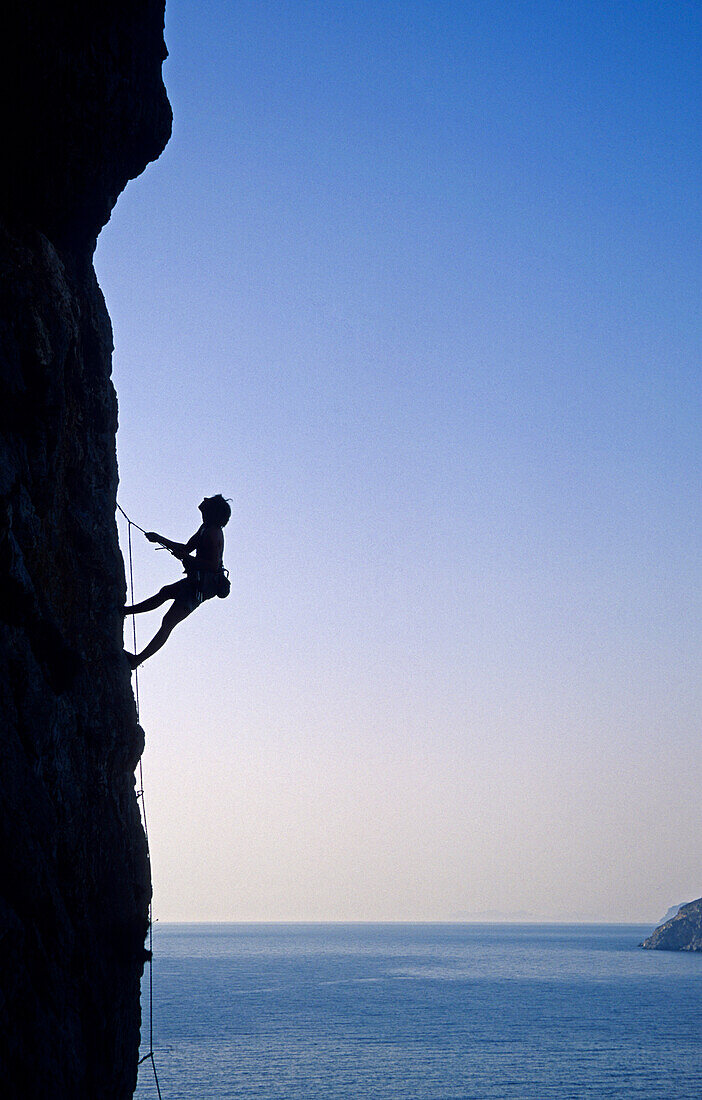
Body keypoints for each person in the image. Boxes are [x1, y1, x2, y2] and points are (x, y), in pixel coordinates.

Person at [124, 494, 231, 668]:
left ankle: (137, 660)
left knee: (168, 621)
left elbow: (212, 565)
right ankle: (125, 611)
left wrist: (188, 560)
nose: (204, 500)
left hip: (201, 587)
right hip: (197, 581)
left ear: (212, 511)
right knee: (165, 592)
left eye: (208, 502)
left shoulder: (212, 533)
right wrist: (159, 539)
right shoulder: (206, 528)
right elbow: (186, 548)